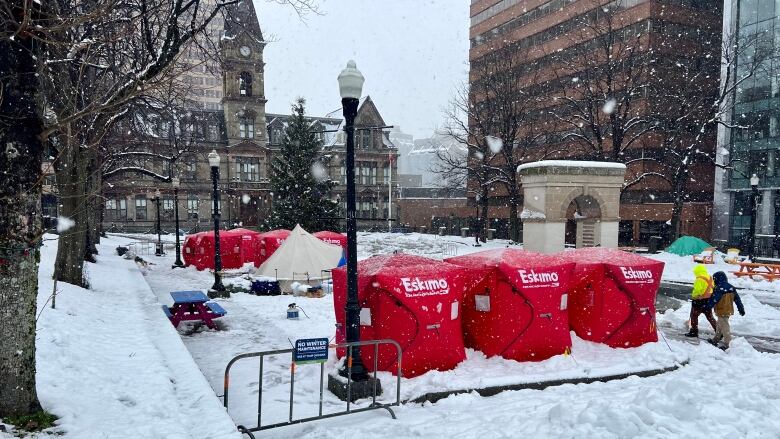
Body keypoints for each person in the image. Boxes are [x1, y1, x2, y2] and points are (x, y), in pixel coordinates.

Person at [707, 271, 745, 349]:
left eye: (714, 279)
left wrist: (708, 307)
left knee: (725, 327)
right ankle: (715, 339)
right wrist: (741, 308)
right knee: (719, 325)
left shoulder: (719, 288)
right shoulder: (731, 287)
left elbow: (714, 299)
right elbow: (737, 299)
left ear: (717, 279)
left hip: (721, 310)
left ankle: (728, 344)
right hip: (728, 309)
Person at [684, 264, 716, 337]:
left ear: (698, 271)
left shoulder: (699, 279)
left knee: (694, 316)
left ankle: (694, 331)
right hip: (708, 300)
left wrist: (694, 296)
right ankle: (718, 332)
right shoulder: (710, 278)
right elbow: (712, 288)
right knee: (710, 317)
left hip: (699, 300)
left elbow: (697, 290)